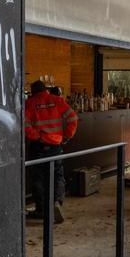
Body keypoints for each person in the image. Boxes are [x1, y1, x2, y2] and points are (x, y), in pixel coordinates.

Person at [24, 80, 79, 223]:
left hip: (39, 146)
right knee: (57, 174)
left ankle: (41, 210)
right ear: (45, 90)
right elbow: (73, 118)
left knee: (38, 177)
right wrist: (67, 135)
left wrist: (36, 136)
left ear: (33, 91)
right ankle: (57, 203)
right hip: (56, 144)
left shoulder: (30, 103)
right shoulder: (57, 100)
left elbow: (24, 124)